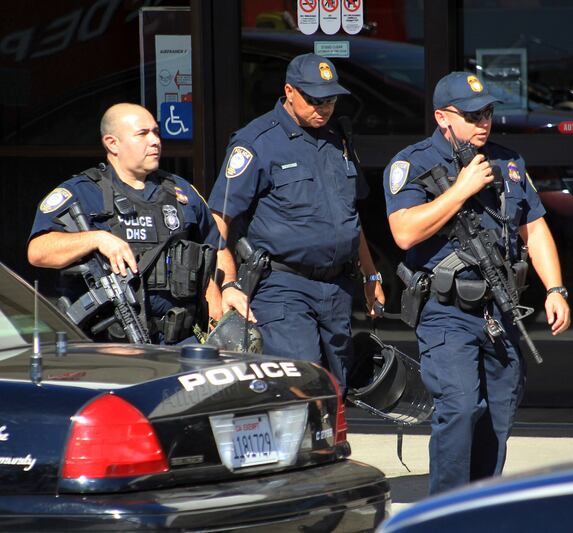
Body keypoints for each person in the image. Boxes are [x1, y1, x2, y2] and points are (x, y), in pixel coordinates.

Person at [383, 71, 570, 494]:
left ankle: (480, 504)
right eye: (471, 115)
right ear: (443, 117)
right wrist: (461, 191)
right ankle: (446, 511)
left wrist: (556, 289)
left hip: (500, 309)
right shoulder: (412, 163)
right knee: (461, 407)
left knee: (498, 413)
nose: (483, 121)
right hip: (445, 312)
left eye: (486, 112)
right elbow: (404, 232)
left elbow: (534, 229)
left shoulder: (508, 161)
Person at [209, 53, 384, 389]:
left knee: (337, 388)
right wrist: (226, 283)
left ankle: (329, 444)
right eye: (314, 99)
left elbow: (350, 214)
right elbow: (219, 216)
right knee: (301, 384)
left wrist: (370, 273)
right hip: (283, 286)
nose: (324, 107)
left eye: (330, 99)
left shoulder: (338, 138)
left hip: (336, 289)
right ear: (289, 91)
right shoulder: (257, 141)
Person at [28, 103, 220, 344]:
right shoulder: (83, 192)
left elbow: (215, 251)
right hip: (109, 345)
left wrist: (225, 293)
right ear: (112, 143)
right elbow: (38, 252)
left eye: (156, 132)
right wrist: (97, 238)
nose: (155, 141)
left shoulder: (181, 192)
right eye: (142, 134)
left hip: (181, 342)